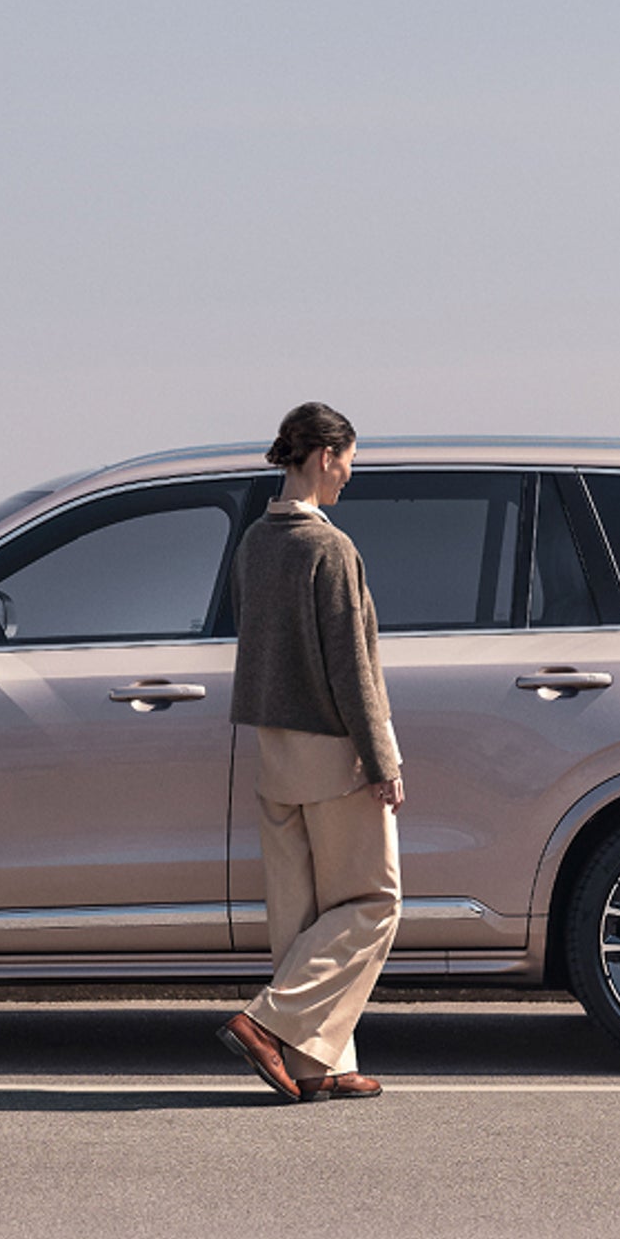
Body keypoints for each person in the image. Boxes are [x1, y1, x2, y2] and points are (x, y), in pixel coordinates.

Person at [219, 402, 406, 1105]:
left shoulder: (253, 545)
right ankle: (265, 1022)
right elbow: (352, 670)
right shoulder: (330, 549)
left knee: (300, 913)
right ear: (324, 456)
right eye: (349, 462)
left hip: (273, 751)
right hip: (334, 751)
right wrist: (383, 761)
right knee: (372, 903)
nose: (349, 478)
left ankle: (315, 1065)